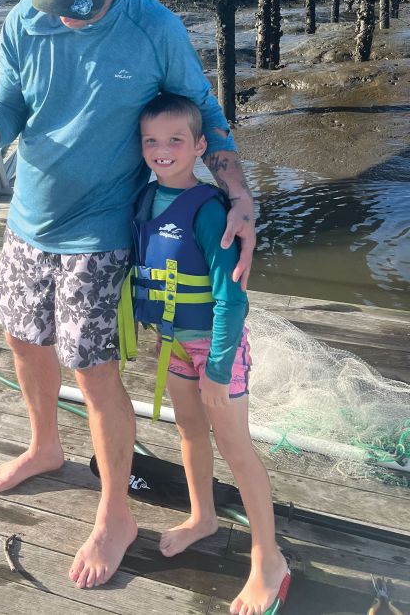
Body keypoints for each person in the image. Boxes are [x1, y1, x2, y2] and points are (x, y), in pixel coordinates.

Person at [0, 0, 256, 590]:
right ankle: (46, 445)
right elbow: (9, 108)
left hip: (102, 227)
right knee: (24, 340)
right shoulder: (29, 18)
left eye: (84, 6)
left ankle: (115, 512)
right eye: (61, 2)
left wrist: (238, 194)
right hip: (30, 218)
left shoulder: (155, 29)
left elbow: (207, 112)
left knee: (91, 367)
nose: (70, 18)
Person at [132, 92, 289, 615]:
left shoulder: (207, 210)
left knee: (236, 448)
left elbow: (230, 295)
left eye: (175, 140)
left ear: (200, 146)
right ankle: (203, 516)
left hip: (215, 350)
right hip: (174, 344)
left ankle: (269, 559)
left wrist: (218, 369)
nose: (162, 150)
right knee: (189, 432)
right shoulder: (144, 200)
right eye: (151, 141)